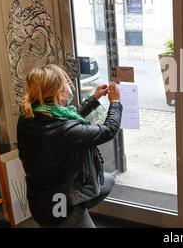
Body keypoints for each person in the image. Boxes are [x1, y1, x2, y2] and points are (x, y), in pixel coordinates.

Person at [17, 64, 123, 228]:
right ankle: (75, 213)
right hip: (61, 208)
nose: (68, 85)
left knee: (106, 181)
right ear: (55, 91)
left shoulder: (28, 116)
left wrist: (93, 99)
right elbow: (109, 130)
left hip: (40, 199)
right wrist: (115, 102)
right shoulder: (63, 130)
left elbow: (67, 126)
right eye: (64, 83)